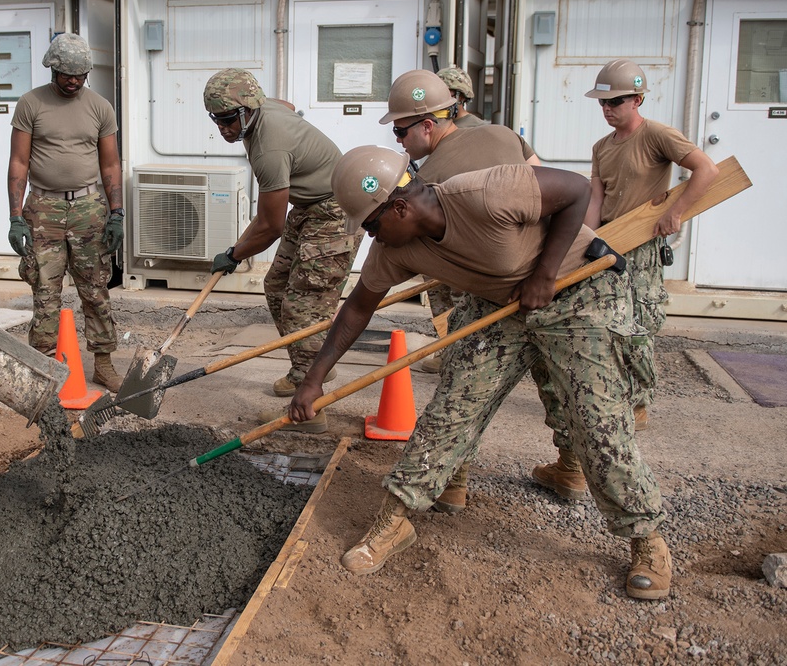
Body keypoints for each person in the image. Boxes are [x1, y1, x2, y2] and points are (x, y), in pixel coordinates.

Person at [289, 146, 672, 601]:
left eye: (371, 225)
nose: (371, 237)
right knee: (449, 413)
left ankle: (646, 540)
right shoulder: (395, 249)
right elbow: (356, 310)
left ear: (400, 206)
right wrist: (313, 380)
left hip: (577, 294)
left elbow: (574, 191)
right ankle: (395, 520)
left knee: (597, 424)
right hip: (500, 307)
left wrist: (545, 273)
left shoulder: (485, 193)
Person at [531, 59, 719, 499]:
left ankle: (637, 404)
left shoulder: (657, 135)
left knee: (641, 322)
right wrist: (584, 241)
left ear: (637, 98)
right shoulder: (602, 146)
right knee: (608, 321)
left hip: (644, 242)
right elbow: (596, 196)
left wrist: (677, 212)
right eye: (603, 102)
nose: (608, 109)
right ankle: (618, 400)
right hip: (612, 244)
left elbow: (705, 170)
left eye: (615, 102)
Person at [380, 69, 540, 512]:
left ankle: (454, 481)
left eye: (400, 130)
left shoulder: (433, 173)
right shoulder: (503, 135)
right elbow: (545, 180)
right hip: (535, 275)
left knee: (463, 389)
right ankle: (568, 470)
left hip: (514, 285)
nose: (399, 141)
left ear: (427, 124)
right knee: (555, 393)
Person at [203, 68, 359, 432]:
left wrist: (234, 254)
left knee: (302, 306)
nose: (223, 128)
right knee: (276, 285)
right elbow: (285, 104)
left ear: (248, 110)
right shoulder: (264, 108)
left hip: (335, 212)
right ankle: (310, 364)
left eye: (228, 120)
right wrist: (236, 250)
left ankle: (310, 409)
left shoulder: (269, 149)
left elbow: (270, 226)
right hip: (309, 208)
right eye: (217, 119)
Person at [7, 33, 126, 392]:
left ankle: (103, 363)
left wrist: (116, 212)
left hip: (89, 208)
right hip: (43, 207)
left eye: (80, 75)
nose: (73, 81)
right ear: (52, 69)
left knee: (95, 287)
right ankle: (43, 368)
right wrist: (15, 216)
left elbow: (110, 164)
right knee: (45, 289)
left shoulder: (100, 107)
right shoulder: (30, 104)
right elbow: (19, 161)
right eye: (66, 74)